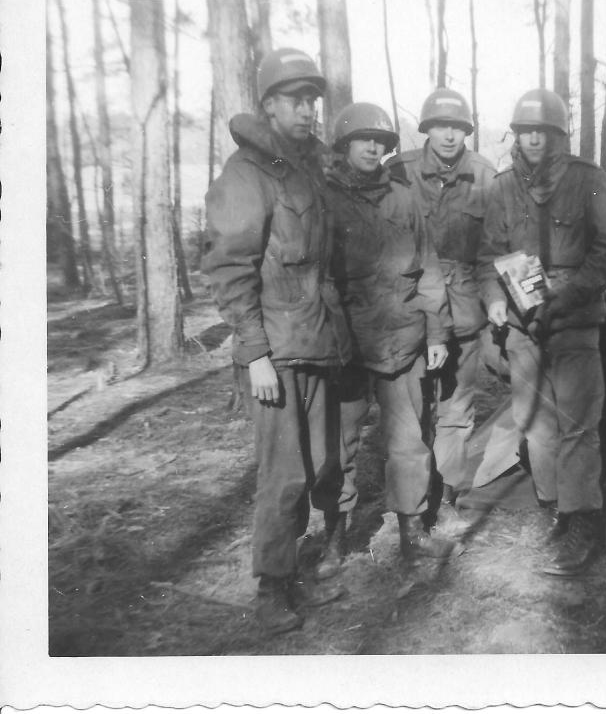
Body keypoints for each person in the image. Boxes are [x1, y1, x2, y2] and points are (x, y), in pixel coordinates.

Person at [202, 47, 350, 635]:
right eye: (296, 99)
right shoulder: (245, 176)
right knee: (283, 474)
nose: (309, 109)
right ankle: (271, 588)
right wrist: (255, 354)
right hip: (275, 352)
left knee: (317, 467)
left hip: (316, 342)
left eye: (313, 99)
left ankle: (294, 573)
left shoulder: (306, 169)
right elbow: (230, 270)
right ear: (268, 105)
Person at [477, 88, 606, 577]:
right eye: (526, 130)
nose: (534, 138)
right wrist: (495, 300)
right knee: (535, 426)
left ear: (559, 134)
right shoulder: (501, 188)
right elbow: (488, 257)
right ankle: (555, 512)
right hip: (522, 329)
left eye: (543, 130)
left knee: (578, 425)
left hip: (575, 322)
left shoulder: (589, 180)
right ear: (516, 135)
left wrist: (565, 295)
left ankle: (582, 520)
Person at [322, 101, 458, 565]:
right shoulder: (324, 200)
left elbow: (430, 270)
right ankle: (334, 539)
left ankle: (412, 534)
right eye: (363, 139)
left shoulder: (404, 199)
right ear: (344, 145)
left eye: (380, 141)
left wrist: (437, 333)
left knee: (408, 443)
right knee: (337, 447)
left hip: (403, 340)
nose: (372, 147)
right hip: (346, 346)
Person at [386, 89, 496, 508]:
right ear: (426, 129)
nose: (449, 135)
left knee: (455, 411)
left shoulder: (485, 175)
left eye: (457, 127)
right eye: (440, 126)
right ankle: (412, 502)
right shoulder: (397, 171)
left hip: (465, 312)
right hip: (411, 311)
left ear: (466, 131)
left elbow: (495, 248)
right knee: (412, 414)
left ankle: (446, 495)